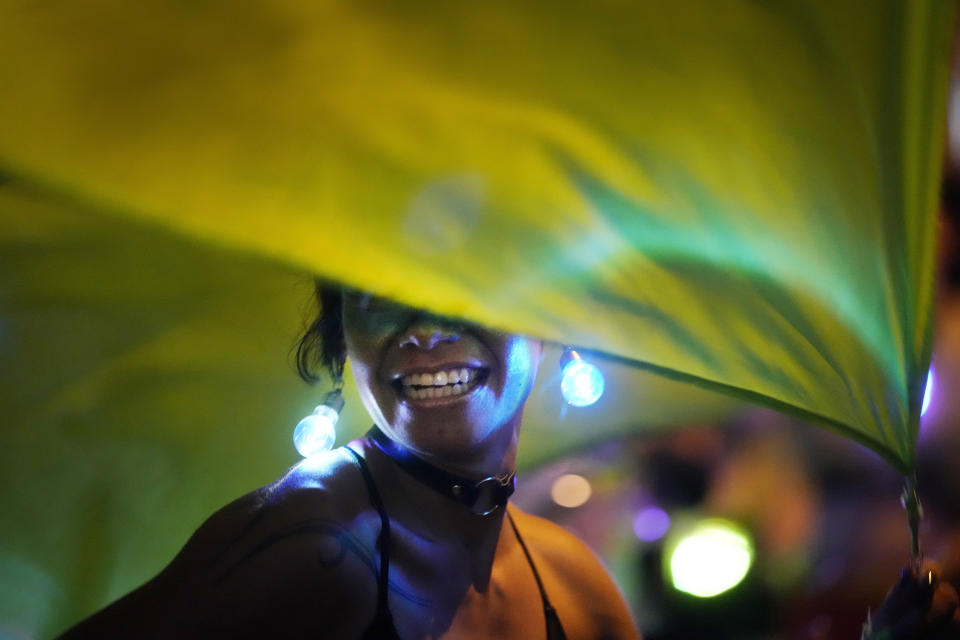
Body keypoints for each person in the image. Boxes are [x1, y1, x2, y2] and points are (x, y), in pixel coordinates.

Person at [58, 285, 641, 639]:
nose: (428, 333)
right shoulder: (311, 539)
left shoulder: (574, 582)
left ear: (553, 316)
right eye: (380, 299)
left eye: (464, 291)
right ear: (343, 338)